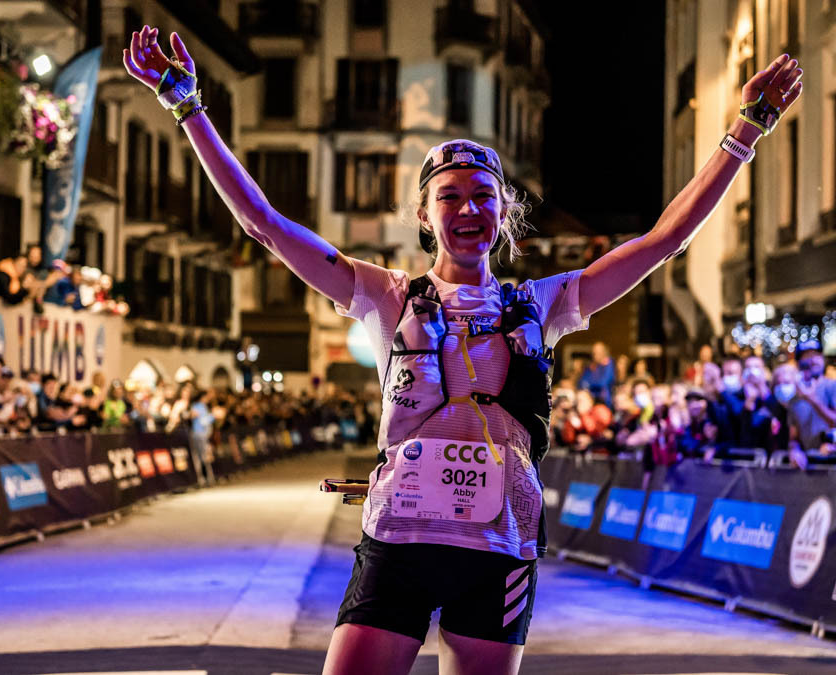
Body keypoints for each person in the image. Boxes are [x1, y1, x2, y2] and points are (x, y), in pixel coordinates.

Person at [124, 26, 801, 674]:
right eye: (449, 196)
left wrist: (746, 130)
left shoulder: (541, 304)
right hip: (399, 545)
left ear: (504, 212)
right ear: (424, 214)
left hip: (500, 551)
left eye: (483, 196)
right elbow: (265, 226)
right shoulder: (384, 295)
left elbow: (660, 243)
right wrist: (187, 106)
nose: (468, 209)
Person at [787, 340, 836, 452]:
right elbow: (794, 437)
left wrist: (811, 399)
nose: (813, 360)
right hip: (810, 463)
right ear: (799, 363)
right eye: (807, 356)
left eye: (817, 355)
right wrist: (794, 450)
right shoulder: (795, 399)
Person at [577, 341, 615, 408]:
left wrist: (589, 385)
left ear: (604, 353)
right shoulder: (591, 366)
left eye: (598, 353)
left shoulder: (609, 364)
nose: (595, 355)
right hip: (590, 401)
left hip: (604, 402)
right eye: (594, 353)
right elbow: (582, 382)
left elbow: (603, 382)